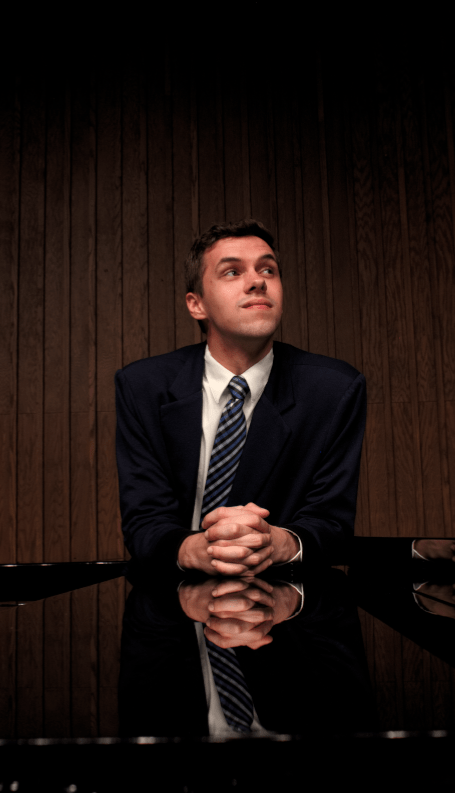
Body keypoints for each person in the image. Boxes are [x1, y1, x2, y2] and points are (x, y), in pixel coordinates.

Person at [115, 219, 367, 575]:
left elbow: (332, 525)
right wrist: (193, 549)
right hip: (170, 604)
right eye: (232, 272)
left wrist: (279, 542)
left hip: (289, 607)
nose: (258, 281)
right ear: (196, 304)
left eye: (268, 269)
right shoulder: (142, 386)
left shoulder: (335, 389)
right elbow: (144, 520)